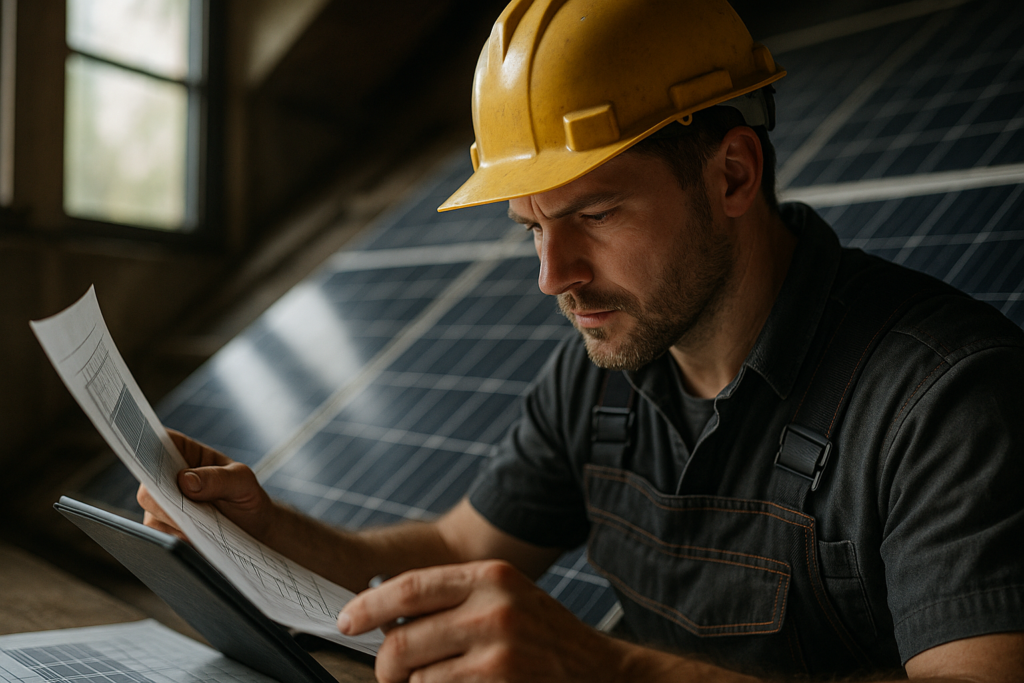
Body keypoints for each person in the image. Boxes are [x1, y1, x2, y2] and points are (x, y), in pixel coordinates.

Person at [139, 0, 1024, 681]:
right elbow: (456, 550)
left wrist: (605, 668)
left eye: (594, 212)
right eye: (532, 226)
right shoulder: (602, 373)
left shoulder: (945, 401)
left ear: (733, 174)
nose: (552, 273)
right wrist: (267, 528)